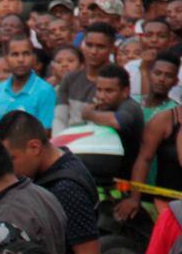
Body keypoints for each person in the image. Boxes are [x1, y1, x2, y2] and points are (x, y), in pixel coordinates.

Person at [0, 110, 100, 254]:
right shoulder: (56, 159)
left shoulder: (66, 189)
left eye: (12, 159)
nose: (9, 168)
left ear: (34, 147)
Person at [116, 53, 182, 222]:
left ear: (175, 82)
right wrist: (134, 197)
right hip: (136, 184)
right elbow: (144, 158)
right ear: (149, 74)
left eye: (168, 76)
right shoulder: (133, 104)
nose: (161, 79)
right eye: (158, 73)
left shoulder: (172, 110)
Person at [80, 62, 144, 178]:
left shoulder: (130, 107)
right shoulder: (101, 107)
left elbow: (117, 121)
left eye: (109, 91)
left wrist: (89, 114)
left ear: (125, 91)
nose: (102, 96)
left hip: (127, 179)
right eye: (99, 90)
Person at [52, 20, 115, 133]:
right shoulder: (70, 79)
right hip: (69, 143)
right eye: (89, 45)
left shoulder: (116, 80)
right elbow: (60, 119)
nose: (93, 51)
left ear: (111, 48)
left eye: (100, 47)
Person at [0, 34, 55, 129]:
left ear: (33, 57)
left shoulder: (45, 91)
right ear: (6, 58)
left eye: (26, 54)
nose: (21, 60)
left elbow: (45, 132)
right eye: (15, 54)